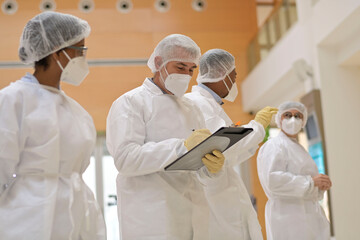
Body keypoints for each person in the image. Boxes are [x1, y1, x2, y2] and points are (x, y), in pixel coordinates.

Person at [106, 34, 260, 239]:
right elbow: (126, 159)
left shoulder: (191, 107)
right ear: (158, 62)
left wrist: (211, 167)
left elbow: (197, 165)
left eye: (191, 69)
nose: (186, 75)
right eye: (180, 68)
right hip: (151, 217)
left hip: (194, 213)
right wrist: (182, 147)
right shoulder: (131, 102)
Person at [0, 12, 106, 240]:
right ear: (58, 52)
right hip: (26, 220)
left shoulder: (77, 111)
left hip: (77, 217)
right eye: (80, 51)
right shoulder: (12, 100)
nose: (83, 58)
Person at [185, 48, 278, 239]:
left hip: (222, 197)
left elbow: (230, 154)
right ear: (221, 74)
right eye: (233, 75)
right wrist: (257, 126)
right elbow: (225, 145)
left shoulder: (210, 105)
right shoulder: (200, 104)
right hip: (214, 200)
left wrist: (255, 131)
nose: (235, 81)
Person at [257, 101, 332, 240]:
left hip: (309, 214)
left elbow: (308, 184)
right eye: (288, 115)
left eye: (298, 116)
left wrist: (319, 185)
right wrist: (311, 182)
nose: (293, 119)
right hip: (288, 216)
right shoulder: (274, 145)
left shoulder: (298, 148)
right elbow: (273, 181)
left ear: (303, 121)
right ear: (279, 119)